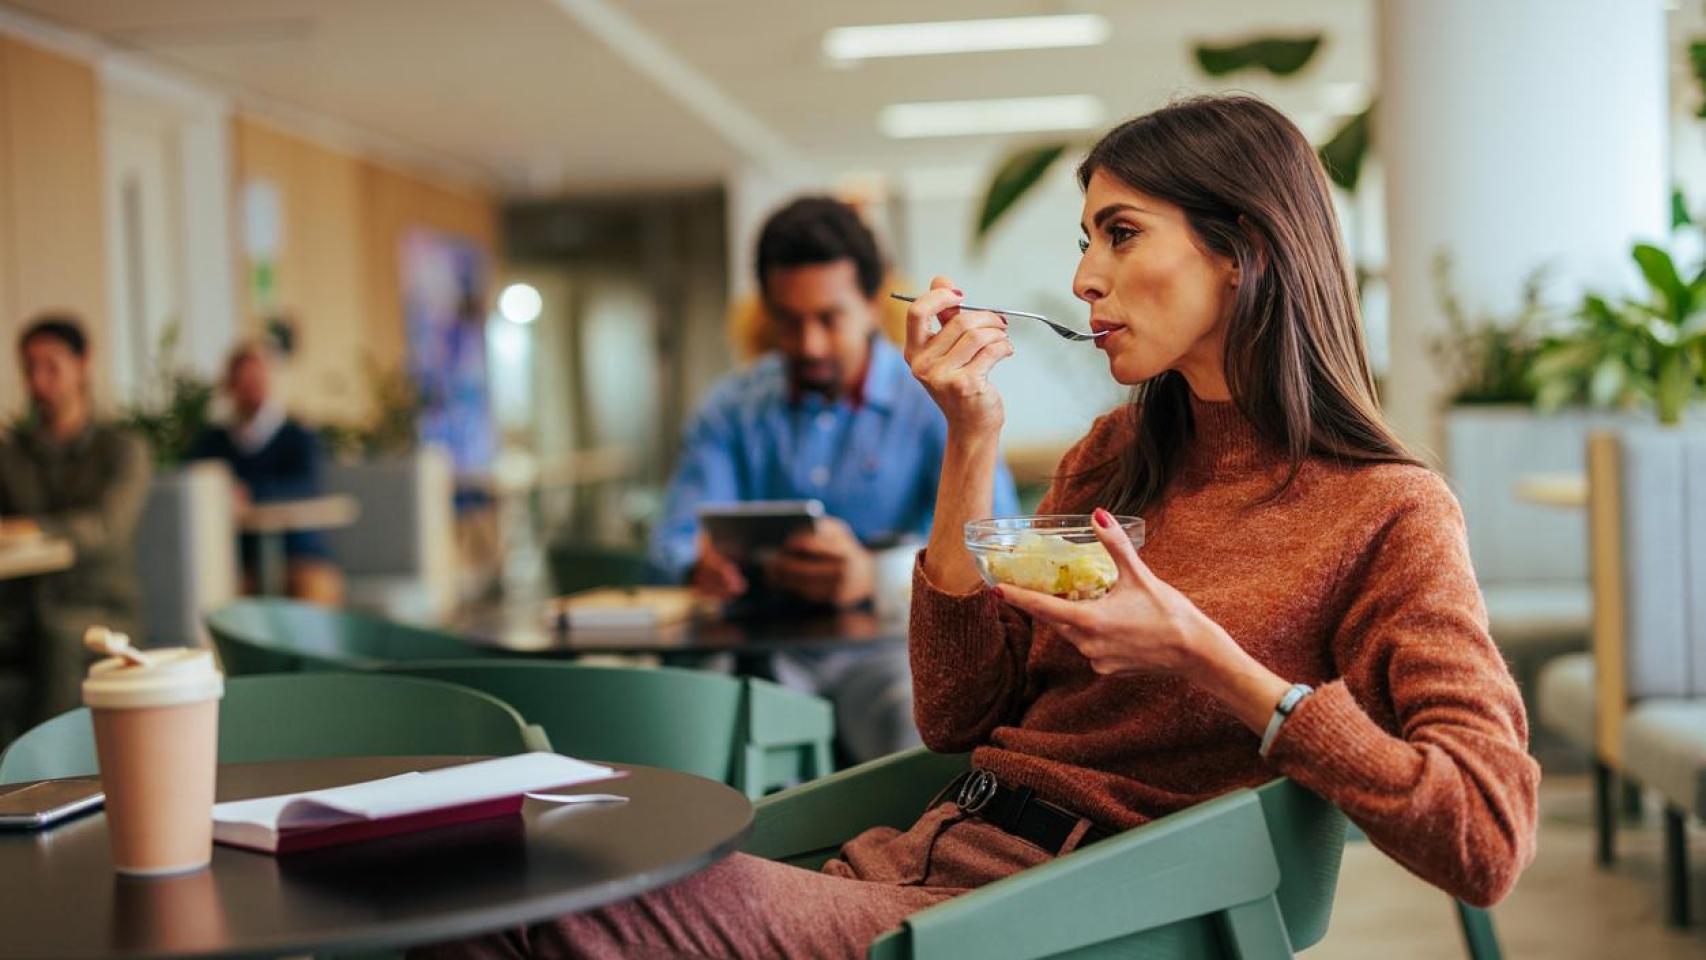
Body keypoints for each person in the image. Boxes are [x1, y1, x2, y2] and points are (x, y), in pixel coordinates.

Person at [419, 95, 1538, 959]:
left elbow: (1483, 838)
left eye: (1118, 233)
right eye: (1084, 236)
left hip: (1055, 913)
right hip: (920, 853)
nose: (1082, 276)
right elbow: (958, 712)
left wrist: (1208, 660)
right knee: (497, 886)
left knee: (560, 898)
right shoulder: (1117, 456)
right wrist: (968, 433)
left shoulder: (1386, 510)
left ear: (1242, 249)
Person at [650, 195, 1020, 763]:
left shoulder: (936, 404)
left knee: (918, 731)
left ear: (873, 305)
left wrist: (870, 577)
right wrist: (701, 563)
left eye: (828, 318)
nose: (809, 344)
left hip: (889, 649)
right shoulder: (730, 409)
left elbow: (995, 550)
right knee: (692, 733)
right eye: (789, 321)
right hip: (764, 649)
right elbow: (672, 541)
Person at [0, 315, 150, 737]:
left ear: (83, 364)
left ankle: (43, 783)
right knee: (37, 629)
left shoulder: (122, 449)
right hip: (22, 607)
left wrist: (31, 528)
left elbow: (106, 528)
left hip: (100, 606)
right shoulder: (14, 453)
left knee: (59, 636)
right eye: (30, 367)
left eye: (51, 366)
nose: (39, 380)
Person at [189, 342, 344, 606]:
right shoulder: (214, 443)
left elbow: (307, 486)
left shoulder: (297, 437)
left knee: (318, 590)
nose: (251, 387)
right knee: (217, 599)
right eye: (243, 380)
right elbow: (195, 485)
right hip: (241, 559)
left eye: (257, 379)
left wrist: (249, 492)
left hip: (298, 554)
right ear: (230, 386)